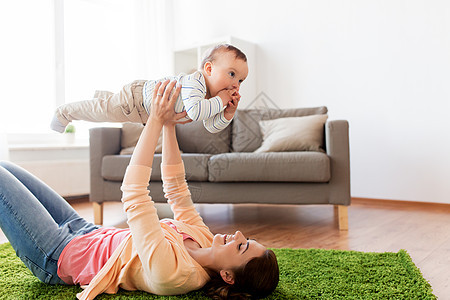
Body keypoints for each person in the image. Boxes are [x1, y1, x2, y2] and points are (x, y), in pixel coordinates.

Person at [0, 80, 279, 299]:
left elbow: (133, 193)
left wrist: (155, 121)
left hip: (56, 254)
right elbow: (177, 189)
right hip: (86, 230)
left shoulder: (173, 274)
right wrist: (169, 125)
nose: (238, 235)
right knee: (5, 166)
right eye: (247, 238)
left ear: (228, 276)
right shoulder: (205, 239)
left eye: (242, 246)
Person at [50, 44, 248, 134]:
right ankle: (63, 113)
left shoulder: (208, 99)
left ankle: (101, 98)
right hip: (136, 101)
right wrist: (221, 101)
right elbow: (196, 113)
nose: (235, 84)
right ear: (208, 69)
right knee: (102, 112)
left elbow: (210, 127)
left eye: (241, 80)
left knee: (106, 106)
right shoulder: (196, 81)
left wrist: (227, 113)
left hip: (145, 112)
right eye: (231, 74)